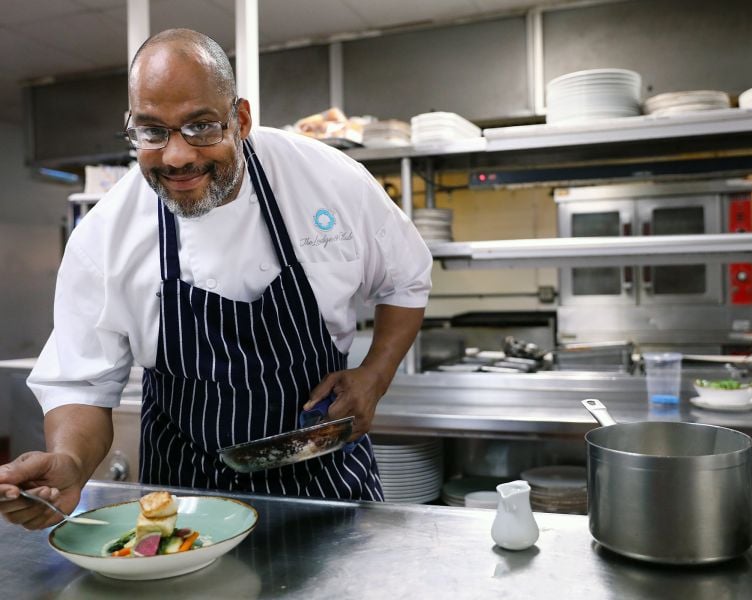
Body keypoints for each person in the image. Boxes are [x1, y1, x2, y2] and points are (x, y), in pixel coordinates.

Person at [0, 28, 432, 529]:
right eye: (152, 131)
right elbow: (83, 382)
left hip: (328, 483)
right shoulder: (104, 237)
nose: (177, 156)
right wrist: (72, 464)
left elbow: (405, 280)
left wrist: (374, 376)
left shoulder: (326, 180)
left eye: (201, 126)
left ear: (240, 119)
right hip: (186, 501)